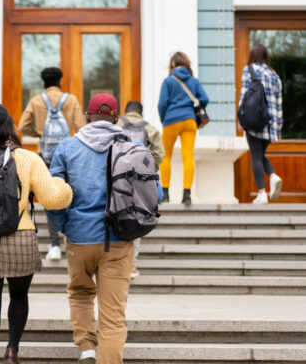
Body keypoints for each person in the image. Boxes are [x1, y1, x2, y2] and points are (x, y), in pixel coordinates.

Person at [0, 104, 72, 364]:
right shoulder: (26, 158)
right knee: (19, 296)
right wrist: (63, 184)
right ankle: (12, 349)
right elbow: (52, 199)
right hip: (20, 239)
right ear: (8, 127)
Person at [47, 93, 160, 364]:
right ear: (116, 118)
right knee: (112, 317)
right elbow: (155, 193)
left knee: (80, 293)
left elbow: (52, 197)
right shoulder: (132, 147)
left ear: (87, 117)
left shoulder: (67, 148)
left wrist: (64, 227)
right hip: (119, 239)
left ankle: (86, 349)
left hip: (79, 238)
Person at [18, 67, 84, 260]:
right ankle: (72, 239)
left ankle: (54, 245)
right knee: (72, 195)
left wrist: (40, 133)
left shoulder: (37, 101)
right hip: (69, 157)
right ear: (60, 82)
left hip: (46, 158)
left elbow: (22, 126)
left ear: (43, 83)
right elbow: (80, 128)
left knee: (49, 199)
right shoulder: (71, 100)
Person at [117, 101, 164, 277]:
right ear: (141, 113)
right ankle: (131, 266)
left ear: (125, 111)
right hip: (139, 184)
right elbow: (159, 154)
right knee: (136, 219)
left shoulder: (116, 126)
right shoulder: (150, 129)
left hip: (116, 181)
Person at [158, 52, 209, 205]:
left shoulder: (168, 81)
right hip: (189, 121)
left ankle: (165, 194)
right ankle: (187, 195)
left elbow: (162, 104)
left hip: (171, 121)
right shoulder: (193, 81)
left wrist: (164, 120)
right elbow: (205, 99)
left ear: (172, 65)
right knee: (188, 156)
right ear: (187, 64)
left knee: (166, 156)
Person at [238, 44, 283, 204]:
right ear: (266, 56)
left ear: (252, 55)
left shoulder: (249, 70)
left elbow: (244, 96)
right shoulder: (274, 75)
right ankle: (273, 176)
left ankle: (262, 193)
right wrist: (278, 128)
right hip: (269, 124)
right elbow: (279, 104)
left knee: (256, 157)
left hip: (253, 120)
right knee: (260, 155)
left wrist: (240, 120)